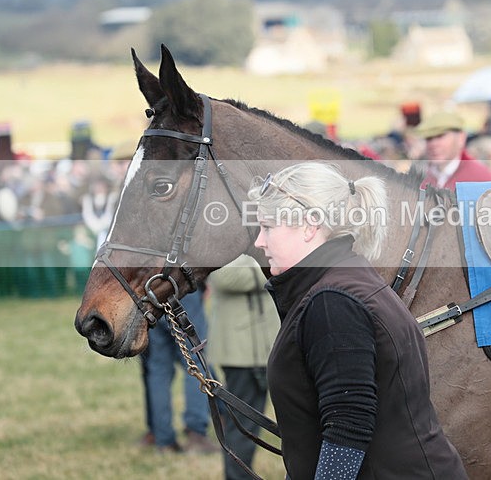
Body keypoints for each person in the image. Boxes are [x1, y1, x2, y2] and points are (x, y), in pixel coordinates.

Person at [249, 162, 468, 479]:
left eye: (268, 227)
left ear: (311, 225)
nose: (259, 241)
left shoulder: (332, 301)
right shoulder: (343, 277)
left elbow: (348, 422)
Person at [207, 254, 280, 480]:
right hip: (243, 352)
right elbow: (224, 277)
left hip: (255, 350)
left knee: (246, 427)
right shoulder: (225, 246)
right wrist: (277, 267)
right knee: (243, 430)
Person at [141, 288, 219, 454]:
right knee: (196, 361)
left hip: (153, 295)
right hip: (182, 293)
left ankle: (164, 440)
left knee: (158, 369)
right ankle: (196, 435)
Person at [414, 111, 491, 190]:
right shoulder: (418, 178)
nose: (433, 144)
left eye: (440, 136)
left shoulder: (481, 178)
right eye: (429, 138)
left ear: (461, 138)